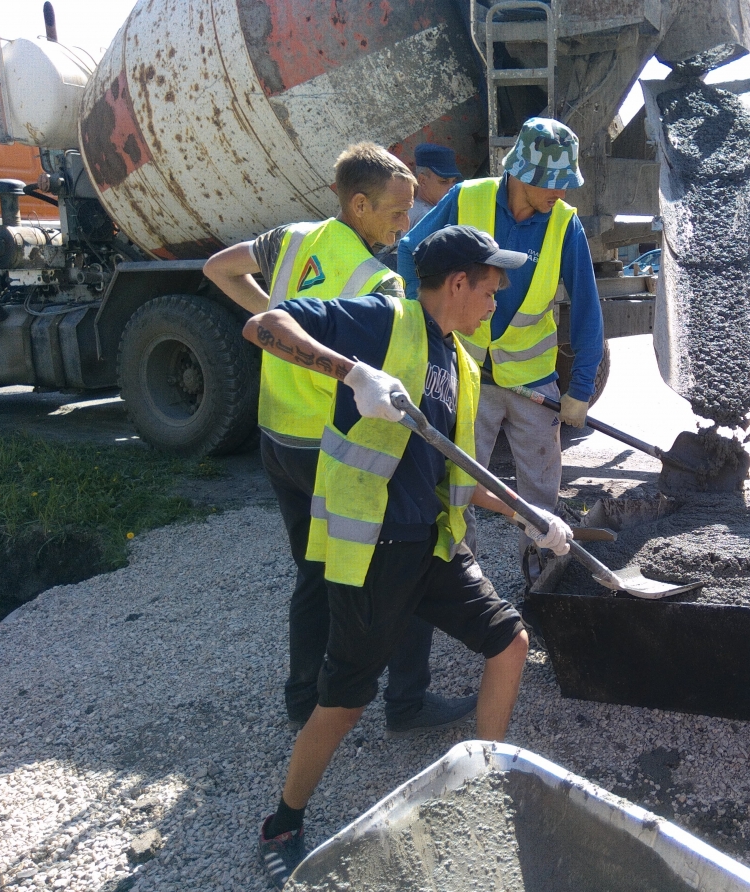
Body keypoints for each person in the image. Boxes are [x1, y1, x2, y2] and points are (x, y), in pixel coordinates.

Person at [249, 224, 573, 887]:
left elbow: (453, 473)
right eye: (490, 290)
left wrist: (532, 517)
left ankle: (484, 784)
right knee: (344, 702)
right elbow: (264, 325)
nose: (495, 304)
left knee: (510, 645)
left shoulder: (462, 361)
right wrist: (351, 372)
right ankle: (283, 819)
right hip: (373, 553)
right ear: (458, 283)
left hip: (433, 546)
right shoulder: (381, 322)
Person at [203, 144, 476, 739]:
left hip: (276, 436)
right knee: (401, 563)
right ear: (359, 203)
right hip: (330, 445)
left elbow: (218, 268)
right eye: (397, 210)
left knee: (313, 571)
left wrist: (278, 309)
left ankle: (303, 700)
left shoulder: (292, 239)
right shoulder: (378, 282)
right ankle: (407, 700)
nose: (406, 223)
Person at [396, 117, 604, 577]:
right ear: (522, 173)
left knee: (540, 496)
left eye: (565, 184)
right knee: (456, 484)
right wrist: (428, 329)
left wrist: (580, 390)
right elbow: (411, 251)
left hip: (533, 383)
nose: (560, 194)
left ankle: (541, 580)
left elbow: (587, 308)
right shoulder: (466, 198)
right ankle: (458, 579)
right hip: (466, 376)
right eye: (552, 183)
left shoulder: (564, 225)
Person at [411, 143, 463, 226]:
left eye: (454, 181)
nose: (452, 187)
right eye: (443, 181)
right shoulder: (426, 217)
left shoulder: (411, 206)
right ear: (422, 180)